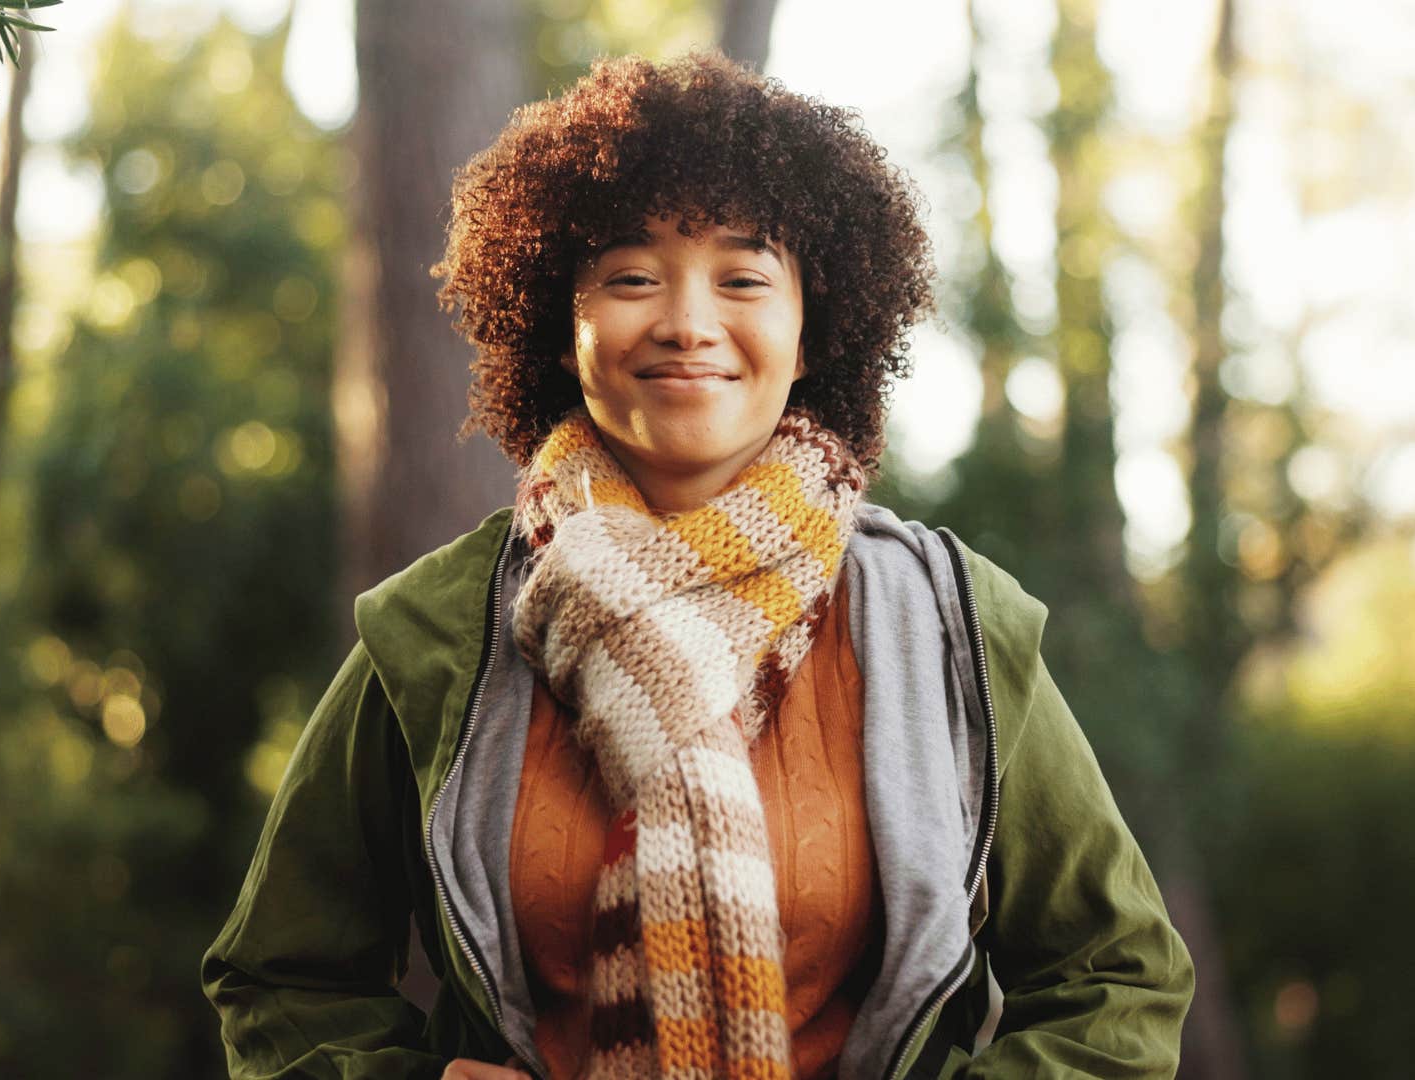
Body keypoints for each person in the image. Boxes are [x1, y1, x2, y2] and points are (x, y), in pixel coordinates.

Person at [201, 51, 1194, 1080]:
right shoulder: (437, 630)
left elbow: (1117, 978)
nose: (685, 323)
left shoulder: (949, 623)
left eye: (743, 279)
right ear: (563, 327)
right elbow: (279, 979)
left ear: (810, 334)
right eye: (631, 276)